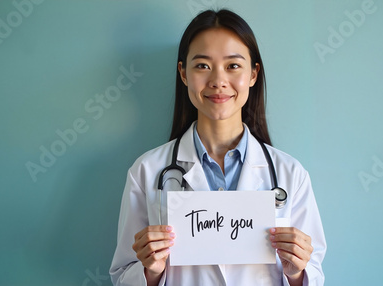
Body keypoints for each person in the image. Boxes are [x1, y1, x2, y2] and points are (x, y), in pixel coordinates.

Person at [110, 9, 326, 286]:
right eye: (202, 65)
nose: (218, 80)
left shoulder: (291, 174)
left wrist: (297, 273)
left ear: (253, 74)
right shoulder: (147, 171)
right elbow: (121, 275)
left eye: (233, 66)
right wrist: (150, 271)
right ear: (183, 73)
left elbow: (315, 275)